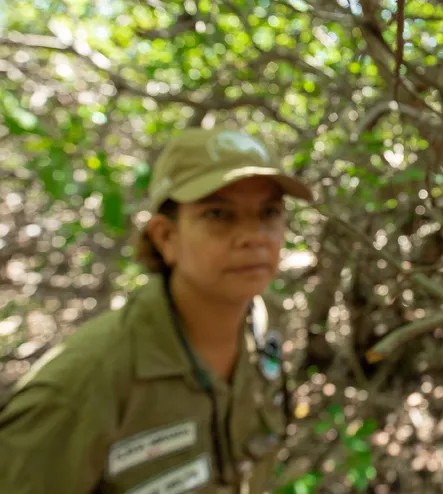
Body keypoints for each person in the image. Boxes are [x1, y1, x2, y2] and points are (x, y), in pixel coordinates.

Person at [0, 127, 313, 493]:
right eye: (218, 214)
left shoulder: (265, 323)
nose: (254, 236)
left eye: (269, 213)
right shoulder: (84, 384)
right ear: (166, 236)